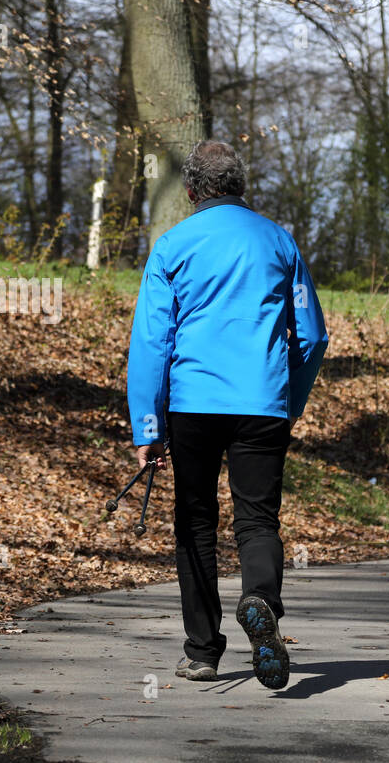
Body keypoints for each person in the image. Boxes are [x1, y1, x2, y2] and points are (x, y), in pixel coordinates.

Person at [127, 140, 328, 688]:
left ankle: (201, 650)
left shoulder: (172, 245)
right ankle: (260, 599)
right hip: (262, 402)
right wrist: (289, 402)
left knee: (195, 520)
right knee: (257, 520)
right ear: (242, 187)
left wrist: (148, 425)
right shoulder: (279, 241)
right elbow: (311, 336)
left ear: (190, 192)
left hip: (192, 403)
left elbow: (152, 341)